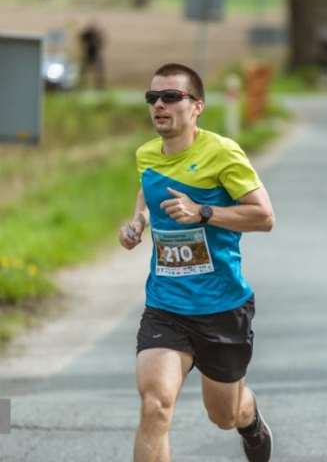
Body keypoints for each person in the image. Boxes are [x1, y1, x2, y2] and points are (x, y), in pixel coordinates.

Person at [118, 63, 275, 462]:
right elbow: (147, 188)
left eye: (172, 96)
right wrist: (139, 220)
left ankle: (249, 418)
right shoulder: (146, 154)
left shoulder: (222, 153)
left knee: (223, 414)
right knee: (155, 405)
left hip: (222, 308)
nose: (159, 105)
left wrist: (203, 212)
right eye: (153, 97)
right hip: (166, 305)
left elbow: (264, 217)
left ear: (197, 106)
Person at [79, 21, 106, 89]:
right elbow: (81, 39)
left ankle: (99, 85)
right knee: (84, 71)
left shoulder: (97, 34)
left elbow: (101, 42)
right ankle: (82, 84)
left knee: (99, 70)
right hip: (88, 53)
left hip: (96, 53)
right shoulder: (86, 34)